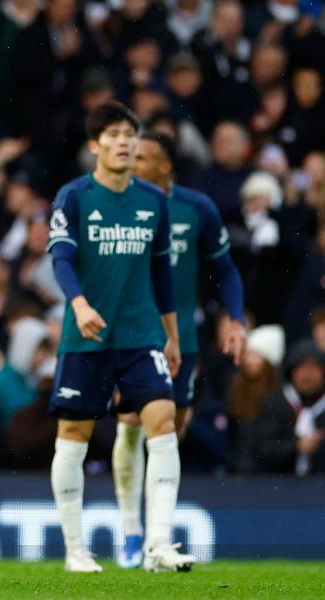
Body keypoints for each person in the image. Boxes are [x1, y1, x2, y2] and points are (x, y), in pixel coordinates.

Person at [46, 101, 193, 573]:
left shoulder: (153, 201)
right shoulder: (73, 196)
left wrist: (171, 336)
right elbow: (62, 259)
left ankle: (159, 544)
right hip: (86, 337)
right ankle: (75, 549)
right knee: (73, 434)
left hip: (140, 334)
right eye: (113, 134)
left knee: (163, 421)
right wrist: (80, 304)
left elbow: (162, 275)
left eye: (130, 133)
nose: (125, 141)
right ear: (95, 146)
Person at [112, 131, 246, 568]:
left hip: (181, 340)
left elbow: (225, 269)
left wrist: (236, 318)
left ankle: (154, 537)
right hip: (130, 334)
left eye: (143, 157)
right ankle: (136, 533)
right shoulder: (117, 203)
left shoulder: (197, 208)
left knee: (170, 428)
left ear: (166, 167)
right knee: (133, 421)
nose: (132, 163)